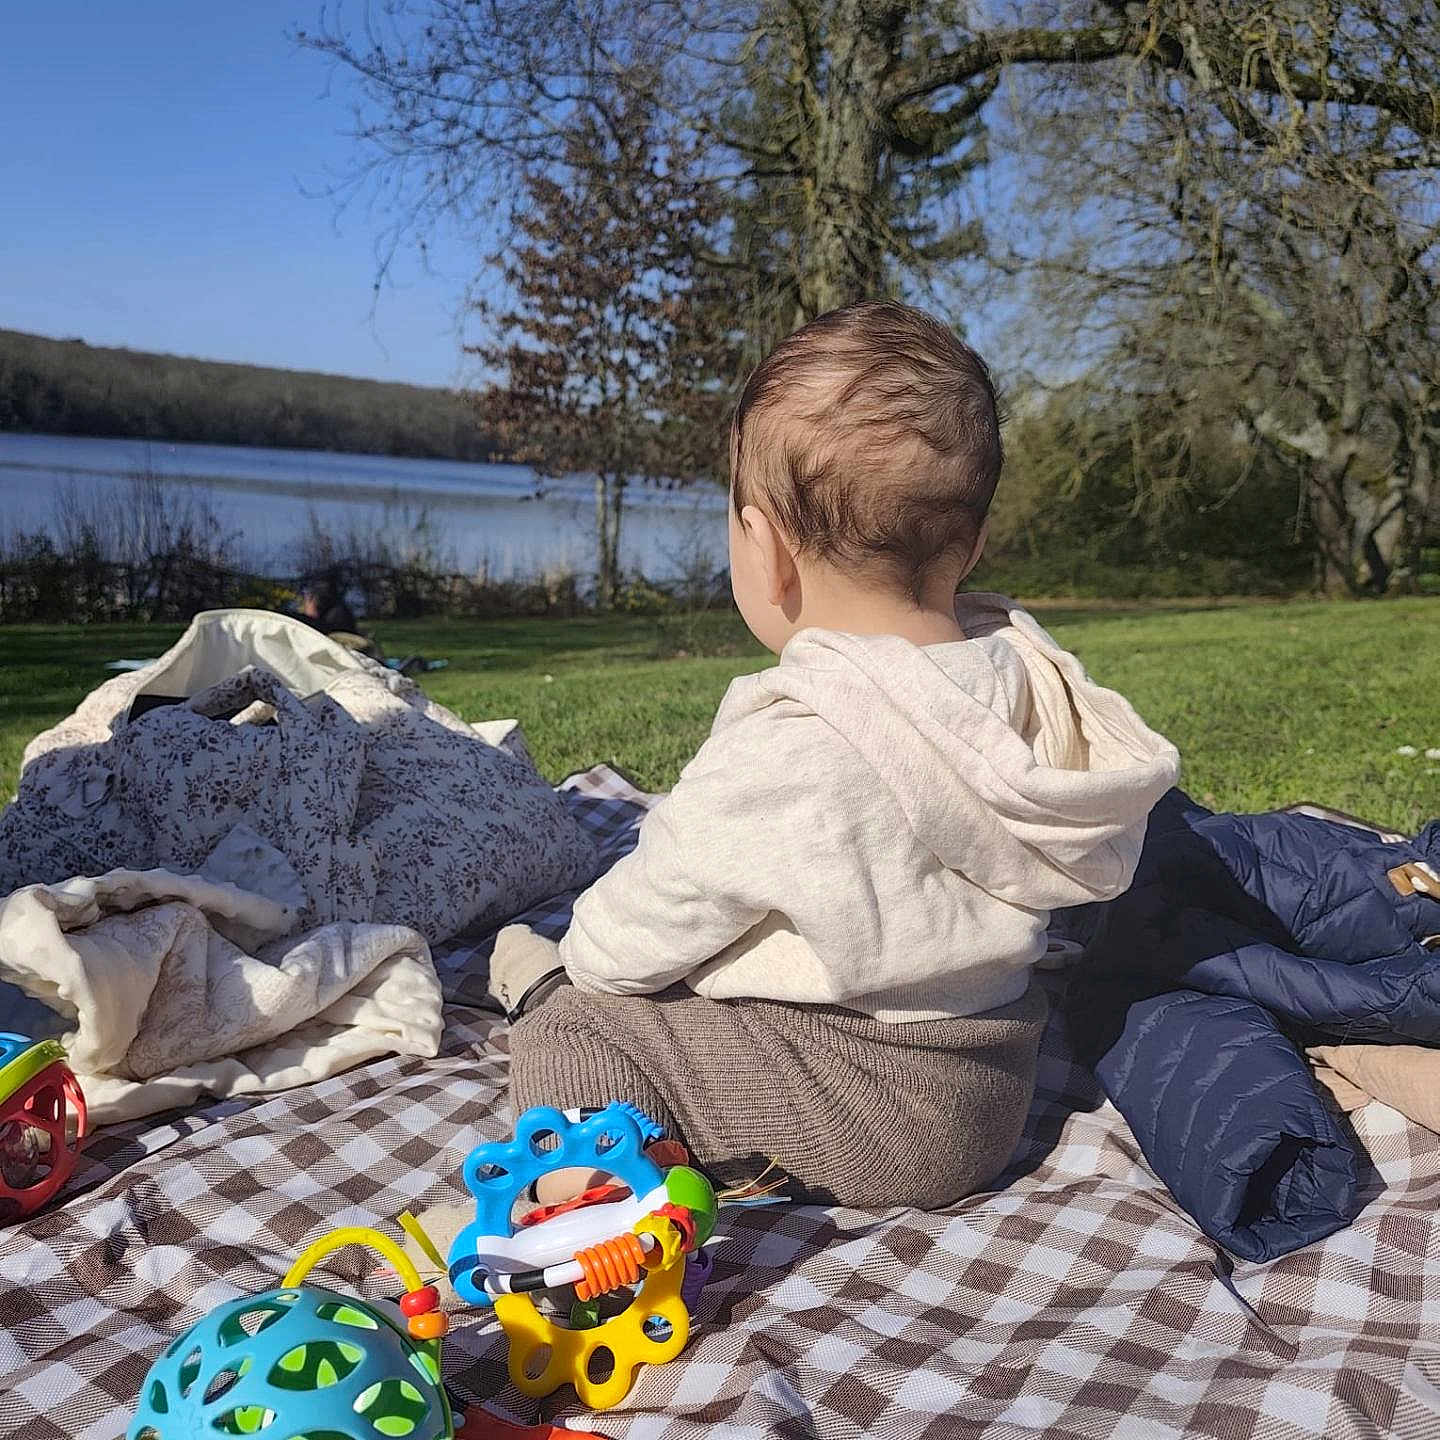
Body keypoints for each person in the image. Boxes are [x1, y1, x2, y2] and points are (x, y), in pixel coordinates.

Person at [492, 300, 1181, 1210]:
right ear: (972, 545)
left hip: (859, 1107)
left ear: (768, 552)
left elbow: (637, 933)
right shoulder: (1020, 676)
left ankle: (588, 1218)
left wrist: (579, 962)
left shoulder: (796, 739)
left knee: (575, 1026)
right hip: (987, 1084)